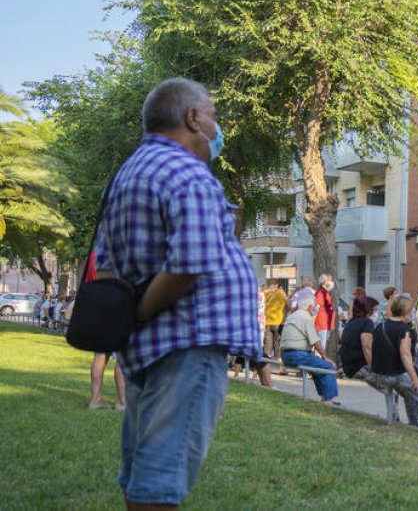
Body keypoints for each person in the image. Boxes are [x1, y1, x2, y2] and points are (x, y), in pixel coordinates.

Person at [92, 77, 261, 509]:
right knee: (160, 478)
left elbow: (105, 262)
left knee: (142, 469)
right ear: (193, 118)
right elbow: (190, 264)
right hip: (189, 344)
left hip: (148, 351)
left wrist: (134, 319)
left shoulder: (127, 174)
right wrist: (142, 312)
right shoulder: (189, 174)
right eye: (214, 117)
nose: (216, 130)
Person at [366, 294, 418, 432]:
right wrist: (415, 379)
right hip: (395, 374)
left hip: (380, 374)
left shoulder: (380, 326)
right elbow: (405, 355)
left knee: (409, 395)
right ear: (406, 312)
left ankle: (414, 424)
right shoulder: (404, 330)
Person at [280, 293, 340, 405]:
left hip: (286, 355)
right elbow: (315, 340)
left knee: (317, 369)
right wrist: (325, 357)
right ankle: (328, 400)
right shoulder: (305, 317)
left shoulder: (292, 315)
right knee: (328, 366)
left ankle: (325, 397)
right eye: (315, 306)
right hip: (298, 355)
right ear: (309, 307)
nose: (316, 308)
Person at [339, 295, 379, 380]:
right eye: (375, 310)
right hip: (359, 367)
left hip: (348, 366)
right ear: (368, 310)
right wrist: (374, 369)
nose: (376, 313)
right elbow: (367, 346)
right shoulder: (367, 323)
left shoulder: (350, 323)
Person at [263, 280, 287, 360]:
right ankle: (279, 364)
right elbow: (287, 305)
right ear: (276, 285)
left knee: (268, 343)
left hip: (268, 322)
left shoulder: (265, 293)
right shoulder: (280, 293)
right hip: (278, 321)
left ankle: (265, 363)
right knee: (278, 343)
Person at [313, 274, 336, 350]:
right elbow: (316, 307)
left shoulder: (325, 292)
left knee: (322, 346)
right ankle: (319, 360)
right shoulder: (321, 293)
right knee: (321, 347)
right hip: (321, 323)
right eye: (329, 280)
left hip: (325, 322)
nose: (331, 282)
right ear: (325, 282)